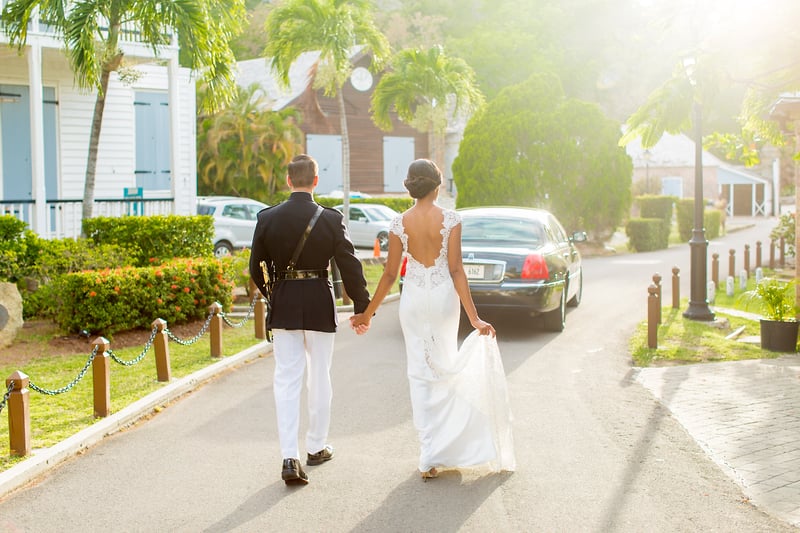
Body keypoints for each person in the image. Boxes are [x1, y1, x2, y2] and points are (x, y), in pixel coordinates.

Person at [350, 159, 515, 479]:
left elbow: (387, 275)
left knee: (419, 373)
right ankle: (447, 444)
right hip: (442, 300)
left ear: (411, 186)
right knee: (444, 366)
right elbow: (456, 270)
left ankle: (430, 456)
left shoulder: (398, 223)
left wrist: (367, 314)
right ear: (438, 185)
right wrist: (475, 318)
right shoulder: (452, 219)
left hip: (412, 300)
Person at [250, 154, 371, 486]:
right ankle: (316, 447)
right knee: (319, 376)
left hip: (285, 303)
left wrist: (272, 293)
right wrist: (362, 305)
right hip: (319, 301)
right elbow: (350, 265)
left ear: (289, 181)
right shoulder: (331, 219)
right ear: (316, 181)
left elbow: (254, 268)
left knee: (286, 379)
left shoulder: (267, 218)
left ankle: (289, 456)